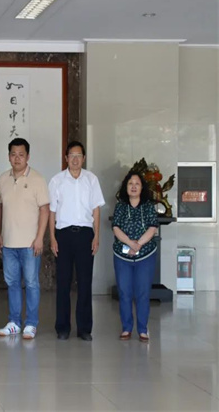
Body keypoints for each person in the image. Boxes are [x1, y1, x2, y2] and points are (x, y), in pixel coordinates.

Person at [48, 141, 105, 341]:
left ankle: (84, 329)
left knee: (85, 282)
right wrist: (52, 237)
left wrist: (96, 236)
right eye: (71, 155)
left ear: (84, 158)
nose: (75, 159)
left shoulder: (91, 179)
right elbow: (52, 211)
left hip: (85, 234)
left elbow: (96, 209)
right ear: (66, 158)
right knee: (63, 282)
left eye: (78, 155)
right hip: (63, 235)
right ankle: (62, 328)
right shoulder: (57, 181)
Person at [0, 138, 49, 340]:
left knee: (32, 283)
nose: (17, 158)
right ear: (9, 156)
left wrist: (40, 238)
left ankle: (31, 324)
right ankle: (14, 322)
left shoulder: (37, 179)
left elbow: (45, 209)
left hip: (30, 243)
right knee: (12, 283)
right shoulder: (3, 179)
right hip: (8, 243)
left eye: (21, 155)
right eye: (13, 154)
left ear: (28, 157)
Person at [112, 171, 159, 342]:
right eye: (130, 183)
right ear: (126, 187)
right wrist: (130, 244)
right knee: (124, 292)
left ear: (142, 187)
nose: (133, 186)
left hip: (145, 256)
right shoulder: (120, 206)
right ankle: (126, 328)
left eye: (137, 184)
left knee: (143, 293)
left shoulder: (148, 206)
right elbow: (116, 228)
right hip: (122, 256)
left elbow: (153, 228)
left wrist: (138, 244)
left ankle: (142, 329)